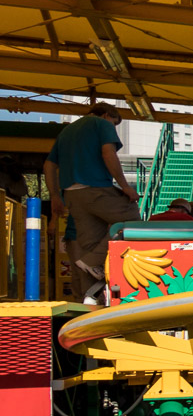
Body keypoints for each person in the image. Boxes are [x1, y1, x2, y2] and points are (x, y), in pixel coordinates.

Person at [43, 103, 140, 303]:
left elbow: (49, 164)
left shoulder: (67, 131)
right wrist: (125, 186)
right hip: (95, 188)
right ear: (106, 115)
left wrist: (54, 195)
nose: (113, 129)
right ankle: (94, 261)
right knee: (132, 219)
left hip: (71, 194)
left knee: (89, 248)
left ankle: (89, 302)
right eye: (114, 124)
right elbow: (108, 153)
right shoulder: (100, 124)